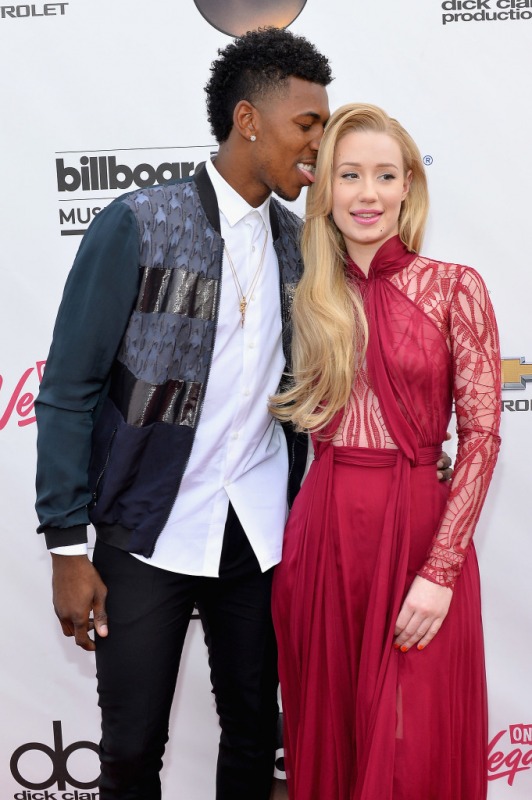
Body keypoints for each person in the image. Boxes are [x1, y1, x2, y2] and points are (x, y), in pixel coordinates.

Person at [34, 31, 451, 799]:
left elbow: (351, 370)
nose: (321, 146)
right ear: (249, 120)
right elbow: (68, 387)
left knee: (256, 737)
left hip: (261, 537)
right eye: (308, 125)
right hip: (146, 530)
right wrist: (66, 546)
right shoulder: (140, 221)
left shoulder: (306, 249)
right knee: (131, 750)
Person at [269, 103, 501, 800]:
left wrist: (440, 569)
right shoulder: (306, 295)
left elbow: (482, 437)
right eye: (349, 175)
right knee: (332, 731)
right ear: (325, 189)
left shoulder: (455, 287)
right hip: (326, 535)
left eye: (384, 175)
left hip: (422, 536)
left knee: (414, 744)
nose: (366, 193)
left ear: (408, 187)